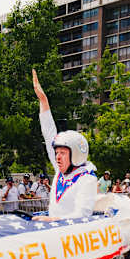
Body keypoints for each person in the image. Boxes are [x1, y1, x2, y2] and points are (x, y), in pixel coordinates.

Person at [32, 69, 97, 221]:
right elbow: (49, 133)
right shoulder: (61, 172)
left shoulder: (87, 179)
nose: (57, 157)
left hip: (72, 238)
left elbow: (82, 215)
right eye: (57, 152)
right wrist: (43, 101)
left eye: (63, 153)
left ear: (76, 155)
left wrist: (52, 220)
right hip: (55, 233)